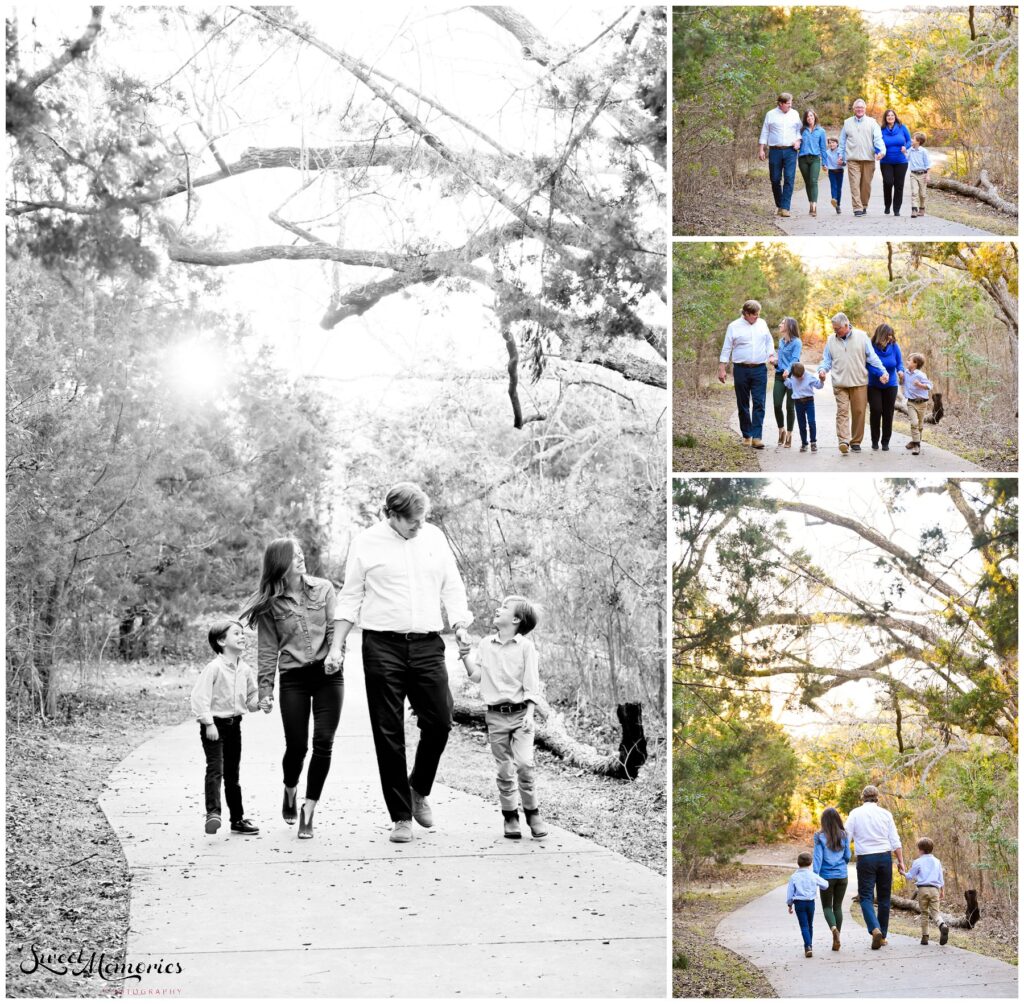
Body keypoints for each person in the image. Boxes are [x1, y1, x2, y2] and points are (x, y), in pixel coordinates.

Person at [328, 482, 473, 843]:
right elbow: (350, 598)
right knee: (388, 731)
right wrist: (337, 646)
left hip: (427, 643)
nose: (419, 526)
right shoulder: (366, 543)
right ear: (391, 515)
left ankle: (418, 788)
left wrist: (460, 623)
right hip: (382, 646)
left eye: (423, 519)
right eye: (412, 521)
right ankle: (400, 817)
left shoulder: (434, 538)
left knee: (440, 720)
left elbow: (451, 585)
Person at [241, 537, 339, 840]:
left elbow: (335, 628)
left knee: (323, 741)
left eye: (300, 553)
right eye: (293, 556)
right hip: (293, 678)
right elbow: (268, 648)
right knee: (297, 746)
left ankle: (309, 811)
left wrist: (337, 654)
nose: (301, 558)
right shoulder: (272, 604)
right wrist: (265, 689)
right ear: (279, 564)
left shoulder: (324, 588)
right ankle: (290, 788)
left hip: (328, 675)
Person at [458, 595, 547, 840]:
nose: (498, 608)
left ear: (516, 619)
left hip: (521, 715)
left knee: (525, 765)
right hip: (495, 716)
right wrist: (465, 655)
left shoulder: (526, 648)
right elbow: (476, 675)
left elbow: (531, 686)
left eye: (505, 608)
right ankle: (510, 817)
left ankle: (533, 812)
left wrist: (530, 714)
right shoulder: (486, 644)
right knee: (505, 770)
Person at [189, 620, 261, 835]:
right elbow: (199, 698)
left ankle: (237, 820)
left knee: (233, 774)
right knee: (215, 769)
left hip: (234, 726)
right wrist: (209, 723)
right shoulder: (214, 668)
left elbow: (251, 700)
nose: (242, 636)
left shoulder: (245, 669)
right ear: (221, 641)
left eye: (243, 633)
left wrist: (261, 703)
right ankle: (213, 814)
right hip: (214, 726)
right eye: (236, 633)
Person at [845, 784, 906, 950]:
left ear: (862, 797)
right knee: (885, 898)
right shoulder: (885, 814)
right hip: (885, 858)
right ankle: (883, 936)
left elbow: (846, 837)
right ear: (877, 797)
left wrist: (842, 858)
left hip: (866, 858)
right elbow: (895, 840)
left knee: (866, 897)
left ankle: (874, 929)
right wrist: (901, 861)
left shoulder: (855, 813)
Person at [817, 313, 888, 454]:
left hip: (859, 382)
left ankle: (855, 441)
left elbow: (872, 357)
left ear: (846, 325)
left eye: (837, 328)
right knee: (842, 412)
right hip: (840, 383)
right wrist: (822, 370)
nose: (835, 331)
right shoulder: (831, 339)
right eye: (834, 328)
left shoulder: (862, 336)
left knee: (859, 412)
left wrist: (883, 371)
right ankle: (843, 441)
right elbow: (826, 359)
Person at [718, 300, 776, 450]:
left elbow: (769, 341)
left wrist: (771, 355)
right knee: (743, 403)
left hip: (759, 369)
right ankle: (746, 435)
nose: (757, 317)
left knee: (759, 402)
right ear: (746, 314)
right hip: (741, 369)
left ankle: (757, 437)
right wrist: (722, 368)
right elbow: (726, 348)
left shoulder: (762, 323)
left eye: (758, 315)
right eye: (754, 315)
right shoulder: (733, 326)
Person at [758, 92, 803, 218]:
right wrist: (761, 149)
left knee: (789, 178)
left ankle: (785, 207)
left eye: (791, 103)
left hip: (790, 151)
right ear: (781, 104)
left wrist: (798, 141)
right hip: (775, 151)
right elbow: (765, 131)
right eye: (788, 104)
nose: (790, 105)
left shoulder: (795, 114)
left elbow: (799, 130)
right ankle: (779, 205)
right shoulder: (770, 114)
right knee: (775, 179)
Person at [813, 807, 851, 952]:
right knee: (838, 906)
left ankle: (833, 929)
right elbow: (847, 855)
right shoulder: (844, 835)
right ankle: (838, 936)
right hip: (842, 875)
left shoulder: (819, 836)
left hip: (826, 877)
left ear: (824, 821)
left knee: (827, 907)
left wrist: (815, 875)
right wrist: (841, 865)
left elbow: (818, 857)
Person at [838, 99, 884, 216]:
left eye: (861, 107)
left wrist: (881, 151)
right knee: (854, 184)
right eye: (857, 107)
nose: (859, 109)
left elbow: (878, 138)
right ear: (854, 109)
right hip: (853, 159)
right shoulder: (847, 122)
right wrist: (840, 155)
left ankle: (864, 205)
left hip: (868, 159)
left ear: (865, 109)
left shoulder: (872, 122)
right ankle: (857, 208)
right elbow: (842, 141)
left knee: (866, 185)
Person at [904, 836, 950, 946]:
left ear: (920, 850)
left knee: (924, 913)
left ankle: (925, 937)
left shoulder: (918, 861)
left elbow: (910, 876)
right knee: (935, 912)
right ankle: (942, 925)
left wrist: (903, 872)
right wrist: (942, 890)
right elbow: (940, 878)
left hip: (922, 889)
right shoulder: (937, 861)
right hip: (935, 889)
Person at [867, 323, 904, 451]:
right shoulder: (871, 347)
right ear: (880, 335)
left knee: (888, 413)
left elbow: (899, 362)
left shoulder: (894, 346)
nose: (890, 338)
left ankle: (885, 441)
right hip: (874, 384)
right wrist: (879, 374)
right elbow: (868, 364)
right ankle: (874, 440)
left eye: (891, 336)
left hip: (891, 385)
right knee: (876, 411)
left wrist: (900, 371)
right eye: (887, 336)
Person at [786, 851, 829, 958]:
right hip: (810, 903)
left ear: (798, 863)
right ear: (810, 863)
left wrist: (790, 904)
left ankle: (807, 946)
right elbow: (825, 885)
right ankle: (810, 945)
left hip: (799, 904)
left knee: (804, 926)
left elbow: (790, 893)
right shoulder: (813, 875)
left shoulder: (794, 877)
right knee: (810, 924)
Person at [773, 317, 802, 447]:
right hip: (779, 376)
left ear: (789, 326)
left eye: (782, 323)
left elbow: (795, 359)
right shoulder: (781, 342)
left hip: (792, 377)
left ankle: (789, 435)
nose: (780, 325)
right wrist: (775, 362)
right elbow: (780, 359)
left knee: (790, 407)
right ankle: (781, 430)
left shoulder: (797, 342)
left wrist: (788, 370)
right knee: (777, 404)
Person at [880, 108, 913, 217]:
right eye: (888, 116)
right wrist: (878, 152)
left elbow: (909, 141)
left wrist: (905, 147)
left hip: (901, 162)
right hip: (886, 161)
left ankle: (896, 209)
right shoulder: (882, 130)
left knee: (899, 185)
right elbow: (877, 143)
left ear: (895, 117)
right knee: (888, 183)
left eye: (892, 115)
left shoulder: (902, 128)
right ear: (885, 118)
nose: (890, 117)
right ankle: (887, 205)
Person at [783, 362, 823, 452]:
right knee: (802, 424)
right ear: (793, 374)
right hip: (798, 403)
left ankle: (813, 442)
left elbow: (819, 385)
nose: (801, 378)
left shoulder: (809, 376)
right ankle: (804, 443)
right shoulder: (793, 377)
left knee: (811, 422)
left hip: (809, 402)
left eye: (802, 375)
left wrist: (822, 380)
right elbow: (789, 385)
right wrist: (785, 379)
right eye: (798, 377)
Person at [797, 108, 828, 217]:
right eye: (807, 116)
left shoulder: (821, 131)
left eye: (811, 116)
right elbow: (797, 144)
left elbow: (823, 148)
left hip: (815, 159)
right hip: (803, 159)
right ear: (805, 119)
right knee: (808, 182)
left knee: (813, 181)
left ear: (814, 117)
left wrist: (825, 163)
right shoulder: (801, 130)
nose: (810, 118)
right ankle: (810, 203)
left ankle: (814, 206)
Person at [903, 353, 934, 456]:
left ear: (915, 363)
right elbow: (901, 383)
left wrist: (920, 385)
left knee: (920, 426)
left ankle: (915, 441)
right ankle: (917, 445)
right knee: (914, 423)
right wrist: (900, 377)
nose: (907, 362)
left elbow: (930, 386)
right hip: (911, 403)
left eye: (909, 360)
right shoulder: (905, 373)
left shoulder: (920, 375)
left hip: (922, 404)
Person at [908, 132, 933, 218]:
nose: (911, 139)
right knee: (914, 192)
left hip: (922, 174)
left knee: (922, 194)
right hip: (913, 174)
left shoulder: (924, 151)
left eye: (913, 138)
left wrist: (928, 175)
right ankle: (914, 210)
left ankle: (922, 208)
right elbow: (906, 158)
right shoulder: (910, 150)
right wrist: (904, 151)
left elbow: (928, 164)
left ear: (918, 141)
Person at [823, 134, 844, 214]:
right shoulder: (827, 152)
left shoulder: (840, 151)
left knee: (839, 188)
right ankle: (834, 199)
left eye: (833, 142)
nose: (832, 144)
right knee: (833, 186)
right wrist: (825, 166)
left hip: (840, 171)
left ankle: (837, 205)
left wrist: (842, 162)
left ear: (837, 143)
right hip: (832, 172)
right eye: (830, 143)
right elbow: (825, 161)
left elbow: (843, 160)